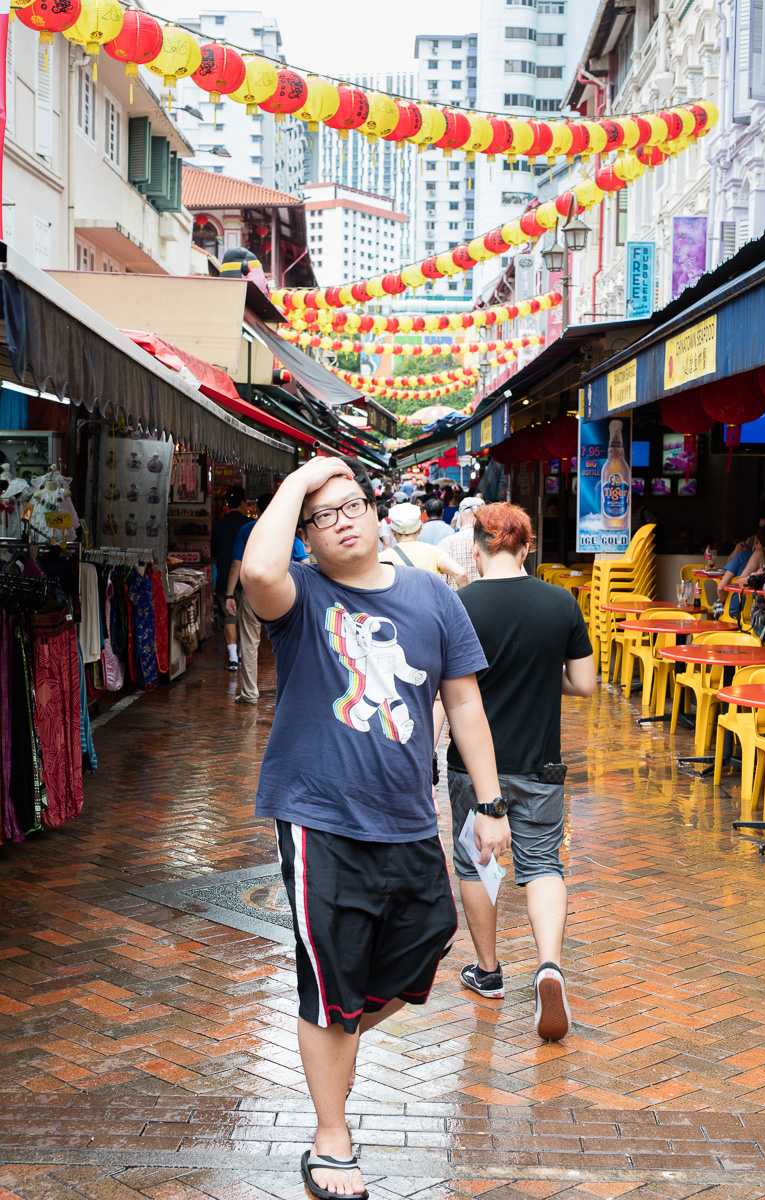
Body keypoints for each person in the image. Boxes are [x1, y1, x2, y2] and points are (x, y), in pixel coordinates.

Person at [240, 455, 507, 1200]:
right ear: (306, 536)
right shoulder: (300, 598)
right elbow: (258, 571)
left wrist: (488, 806)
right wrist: (295, 481)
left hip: (408, 817)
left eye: (352, 504)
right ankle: (333, 1136)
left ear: (377, 510)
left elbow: (463, 704)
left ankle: (336, 1035)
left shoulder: (432, 596)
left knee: (426, 939)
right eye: (322, 517)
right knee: (328, 983)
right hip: (317, 816)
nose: (343, 520)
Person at [446, 502, 595, 1042]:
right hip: (541, 763)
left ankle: (488, 973)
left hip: (471, 765)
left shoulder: (458, 605)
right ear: (526, 546)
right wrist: (538, 676)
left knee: (475, 862)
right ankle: (549, 965)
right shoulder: (561, 603)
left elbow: (447, 689)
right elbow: (583, 684)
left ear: (479, 546)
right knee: (543, 863)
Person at [226, 496, 308, 705]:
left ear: (257, 508)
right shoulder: (288, 533)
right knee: (289, 641)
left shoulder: (247, 530)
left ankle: (250, 693)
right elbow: (305, 564)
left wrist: (229, 594)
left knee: (250, 642)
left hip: (252, 591)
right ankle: (289, 693)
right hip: (285, 591)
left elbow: (237, 564)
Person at [380, 502, 469, 588]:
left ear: (393, 532)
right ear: (419, 529)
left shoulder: (381, 559)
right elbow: (461, 574)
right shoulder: (435, 552)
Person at [211, 486, 251, 671]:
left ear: (227, 504)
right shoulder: (250, 525)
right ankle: (242, 653)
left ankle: (233, 657)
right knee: (245, 618)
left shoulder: (218, 526)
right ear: (243, 502)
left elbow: (214, 555)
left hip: (224, 579)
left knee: (229, 617)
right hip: (247, 579)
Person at [437, 496, 485, 590]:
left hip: (457, 602)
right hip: (488, 602)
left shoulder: (447, 543)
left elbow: (440, 584)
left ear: (460, 520)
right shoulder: (496, 541)